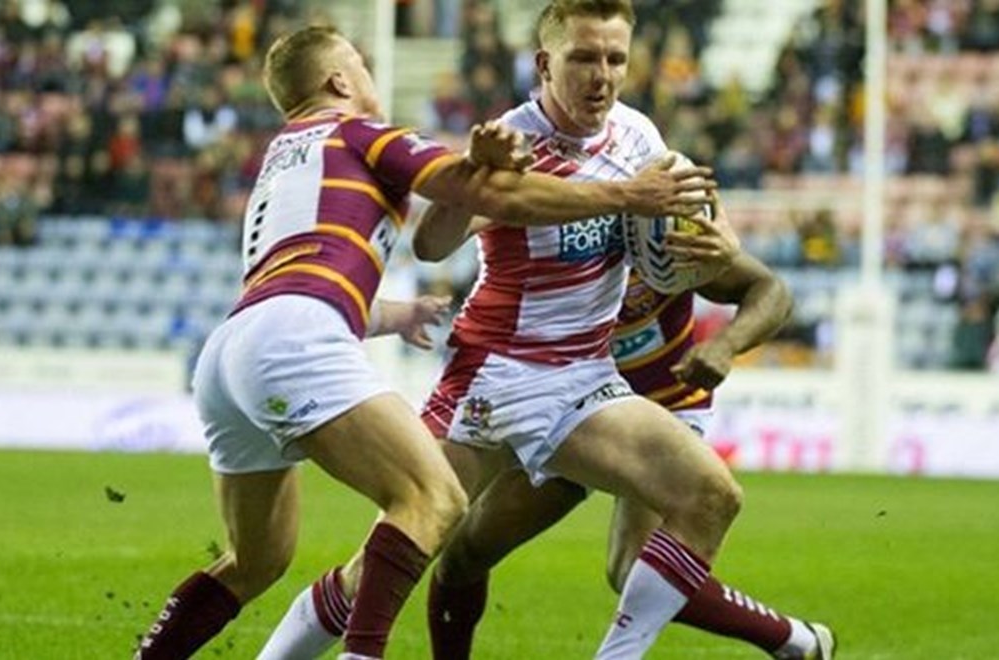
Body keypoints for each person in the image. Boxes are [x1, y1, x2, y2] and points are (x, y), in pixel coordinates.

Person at [257, 2, 831, 658]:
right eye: (583, 57)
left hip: (582, 381)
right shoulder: (513, 139)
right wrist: (470, 178)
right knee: (394, 555)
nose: (601, 75)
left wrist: (714, 246)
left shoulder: (638, 138)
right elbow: (432, 245)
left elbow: (703, 243)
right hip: (492, 376)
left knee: (710, 493)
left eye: (615, 59)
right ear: (544, 64)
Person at [132, 23, 714, 660]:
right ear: (339, 81)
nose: (368, 75)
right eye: (361, 64)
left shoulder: (284, 154)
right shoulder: (360, 132)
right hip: (295, 340)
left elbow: (306, 277)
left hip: (232, 349)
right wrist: (618, 193)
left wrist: (396, 314)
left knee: (254, 561)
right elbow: (475, 195)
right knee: (433, 498)